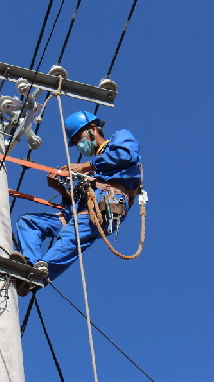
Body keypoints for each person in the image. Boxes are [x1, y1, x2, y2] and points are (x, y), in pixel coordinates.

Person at [12, 111, 142, 296]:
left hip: (111, 202)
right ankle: (30, 265)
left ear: (92, 128)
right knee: (29, 222)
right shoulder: (90, 173)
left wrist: (85, 166)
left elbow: (125, 156)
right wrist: (59, 189)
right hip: (83, 210)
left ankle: (39, 275)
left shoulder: (119, 139)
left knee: (72, 232)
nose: (79, 146)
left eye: (78, 139)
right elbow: (74, 205)